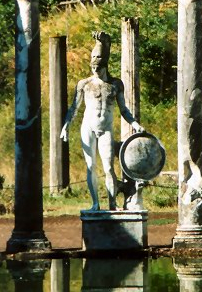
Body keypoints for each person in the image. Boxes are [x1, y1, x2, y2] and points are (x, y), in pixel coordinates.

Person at [60, 31, 144, 211]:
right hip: (88, 126)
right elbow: (74, 107)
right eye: (92, 66)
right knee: (91, 166)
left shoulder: (115, 84)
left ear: (104, 65)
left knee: (108, 168)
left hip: (105, 127)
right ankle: (95, 204)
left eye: (97, 66)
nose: (94, 70)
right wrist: (66, 126)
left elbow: (124, 110)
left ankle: (112, 204)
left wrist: (134, 123)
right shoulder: (84, 84)